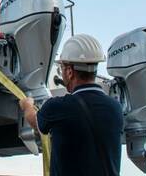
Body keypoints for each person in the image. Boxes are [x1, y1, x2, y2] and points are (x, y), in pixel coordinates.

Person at [19, 34, 123, 176]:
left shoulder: (57, 107)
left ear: (69, 72)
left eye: (62, 68)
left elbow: (36, 122)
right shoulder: (115, 108)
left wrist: (27, 105)